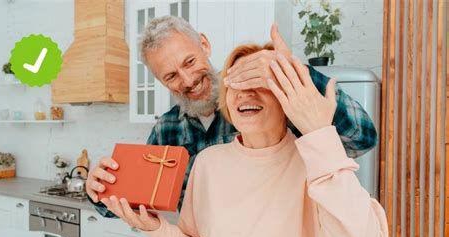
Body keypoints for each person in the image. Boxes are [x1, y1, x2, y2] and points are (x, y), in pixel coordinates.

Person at [98, 43, 389, 237]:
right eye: (235, 84)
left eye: (258, 82)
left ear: (286, 95)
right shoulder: (208, 163)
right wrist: (156, 228)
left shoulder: (316, 159)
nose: (245, 92)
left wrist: (317, 130)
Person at [86, 16, 378, 217]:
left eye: (190, 61)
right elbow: (138, 201)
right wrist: (99, 190)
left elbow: (363, 137)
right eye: (171, 76)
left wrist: (292, 74)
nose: (187, 80)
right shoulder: (166, 129)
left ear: (204, 44)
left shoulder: (266, 103)